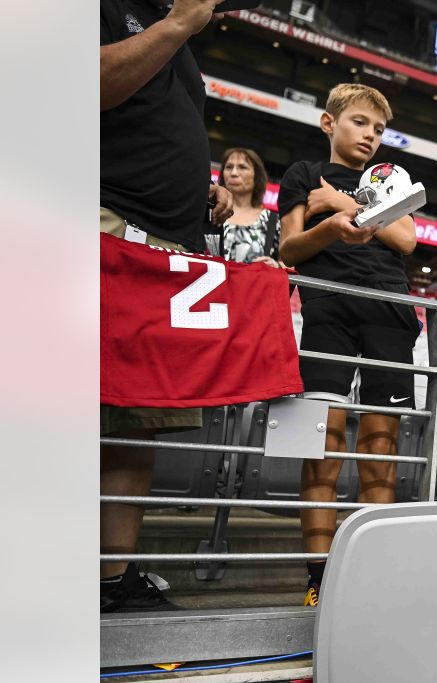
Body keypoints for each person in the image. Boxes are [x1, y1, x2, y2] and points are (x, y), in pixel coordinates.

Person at [100, 0, 234, 612]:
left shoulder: (174, 29)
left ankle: (111, 578)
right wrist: (178, 23)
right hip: (101, 222)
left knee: (137, 418)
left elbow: (153, 122)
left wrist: (198, 192)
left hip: (164, 242)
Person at [276, 83, 419, 606]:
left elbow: (406, 240)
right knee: (323, 449)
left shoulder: (387, 178)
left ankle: (371, 577)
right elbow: (289, 246)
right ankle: (319, 575)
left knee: (381, 451)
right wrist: (334, 228)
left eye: (378, 130)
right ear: (328, 123)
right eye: (360, 122)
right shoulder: (300, 174)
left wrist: (341, 204)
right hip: (328, 310)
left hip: (389, 312)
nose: (370, 136)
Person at [210, 147, 283, 267]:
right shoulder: (210, 212)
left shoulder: (273, 221)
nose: (233, 173)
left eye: (242, 167)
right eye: (228, 167)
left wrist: (276, 266)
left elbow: (290, 265)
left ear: (257, 176)